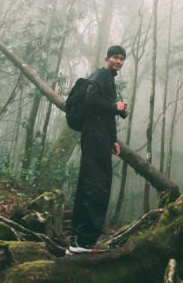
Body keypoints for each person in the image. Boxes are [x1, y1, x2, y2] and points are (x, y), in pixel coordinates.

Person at [67, 45, 128, 254]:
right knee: (98, 182)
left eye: (122, 59)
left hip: (99, 134)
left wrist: (113, 140)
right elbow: (91, 99)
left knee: (90, 180)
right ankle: (84, 241)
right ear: (106, 58)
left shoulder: (109, 79)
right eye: (115, 57)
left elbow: (106, 114)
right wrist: (116, 107)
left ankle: (77, 238)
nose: (118, 61)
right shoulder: (101, 75)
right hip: (94, 134)